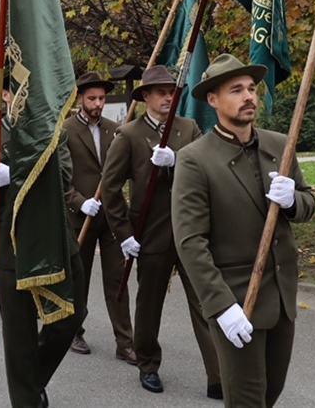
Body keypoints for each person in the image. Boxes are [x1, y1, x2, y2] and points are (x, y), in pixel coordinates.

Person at [172, 54, 315, 407]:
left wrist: (293, 201)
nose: (248, 96)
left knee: (271, 393)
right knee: (247, 400)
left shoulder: (280, 144)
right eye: (236, 90)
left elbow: (309, 202)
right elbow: (190, 242)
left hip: (281, 296)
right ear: (213, 100)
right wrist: (222, 307)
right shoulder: (195, 159)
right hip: (237, 299)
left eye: (251, 89)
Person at [0, 87, 87, 408]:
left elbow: (64, 177)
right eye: (15, 88)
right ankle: (27, 400)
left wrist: (16, 175)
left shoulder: (51, 131)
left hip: (57, 244)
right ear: (4, 93)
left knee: (70, 319)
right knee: (20, 340)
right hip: (10, 253)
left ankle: (31, 380)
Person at [99, 65, 221, 398]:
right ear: (147, 97)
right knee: (149, 304)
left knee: (204, 302)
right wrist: (123, 233)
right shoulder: (130, 135)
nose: (168, 97)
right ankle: (148, 364)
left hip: (191, 232)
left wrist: (178, 160)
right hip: (149, 232)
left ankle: (218, 373)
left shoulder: (188, 127)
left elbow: (208, 169)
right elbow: (110, 189)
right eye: (162, 92)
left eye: (172, 92)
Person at [63, 72, 135, 363]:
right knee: (79, 279)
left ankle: (125, 342)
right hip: (81, 218)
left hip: (113, 217)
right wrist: (79, 203)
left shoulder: (116, 129)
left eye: (102, 98)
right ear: (80, 98)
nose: (97, 103)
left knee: (118, 279)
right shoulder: (65, 130)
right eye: (92, 98)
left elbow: (123, 170)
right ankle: (73, 330)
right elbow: (59, 178)